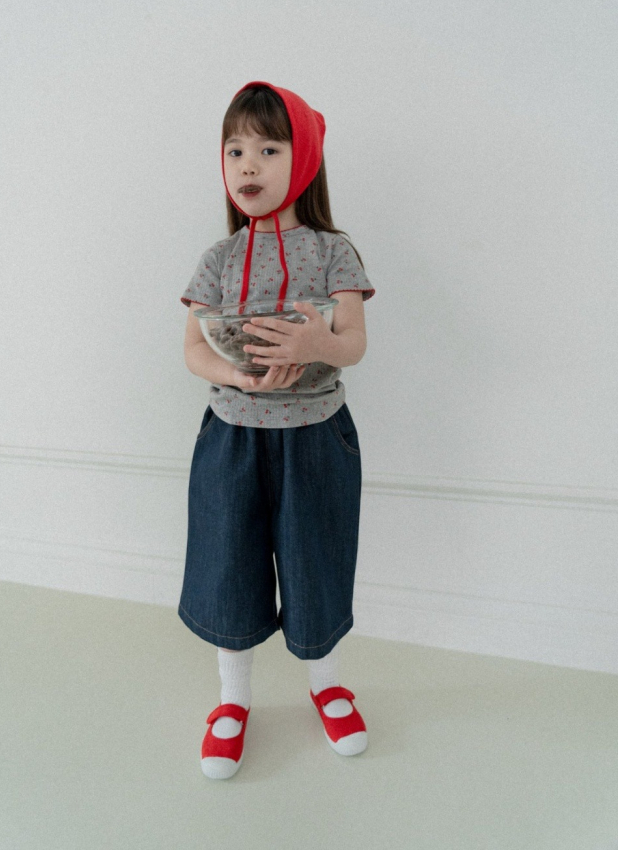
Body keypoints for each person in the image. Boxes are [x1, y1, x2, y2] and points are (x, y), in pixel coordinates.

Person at [179, 81, 376, 779]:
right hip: (231, 438)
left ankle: (328, 685)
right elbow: (194, 349)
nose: (248, 165)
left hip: (317, 437)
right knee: (225, 564)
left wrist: (316, 345)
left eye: (268, 149)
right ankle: (232, 700)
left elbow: (353, 343)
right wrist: (237, 375)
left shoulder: (333, 252)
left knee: (317, 561)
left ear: (305, 160)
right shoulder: (218, 259)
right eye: (235, 150)